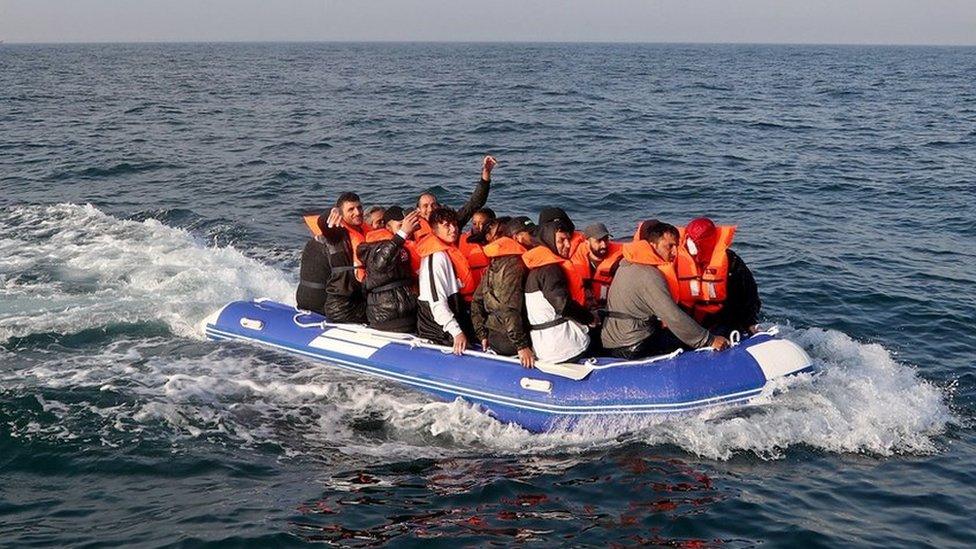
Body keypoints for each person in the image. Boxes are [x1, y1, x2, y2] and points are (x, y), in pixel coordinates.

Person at [601, 221, 729, 359]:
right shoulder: (648, 274)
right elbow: (672, 316)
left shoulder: (627, 264)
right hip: (633, 345)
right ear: (653, 245)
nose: (675, 251)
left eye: (676, 246)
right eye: (670, 246)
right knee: (718, 332)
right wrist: (709, 340)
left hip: (613, 341)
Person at [523, 219, 596, 364]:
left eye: (568, 239)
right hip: (564, 347)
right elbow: (562, 305)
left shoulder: (537, 267)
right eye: (562, 240)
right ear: (549, 239)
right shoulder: (550, 270)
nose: (568, 245)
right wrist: (590, 318)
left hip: (544, 344)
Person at [677, 217, 761, 337]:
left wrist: (750, 322)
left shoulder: (730, 261)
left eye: (696, 242)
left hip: (719, 319)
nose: (691, 246)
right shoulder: (675, 258)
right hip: (686, 319)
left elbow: (748, 294)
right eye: (689, 240)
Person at [471, 217, 536, 368]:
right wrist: (521, 346)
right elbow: (509, 308)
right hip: (510, 338)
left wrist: (481, 333)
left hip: (495, 334)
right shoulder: (514, 264)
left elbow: (476, 301)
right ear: (517, 238)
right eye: (530, 233)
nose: (534, 237)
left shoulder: (495, 263)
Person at [296, 193, 368, 323]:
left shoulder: (363, 231)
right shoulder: (336, 234)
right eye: (351, 209)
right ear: (340, 214)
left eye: (359, 208)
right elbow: (324, 224)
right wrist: (330, 213)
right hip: (327, 304)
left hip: (345, 296)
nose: (357, 212)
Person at [416, 207, 477, 354]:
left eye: (455, 224)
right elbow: (436, 303)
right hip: (438, 331)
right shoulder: (435, 258)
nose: (453, 229)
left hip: (452, 317)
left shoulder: (446, 252)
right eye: (446, 226)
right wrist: (456, 332)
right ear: (434, 229)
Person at [356, 206, 421, 333]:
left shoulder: (407, 245)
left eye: (407, 225)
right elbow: (380, 263)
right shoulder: (375, 246)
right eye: (400, 225)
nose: (407, 230)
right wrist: (402, 234)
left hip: (409, 313)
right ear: (388, 227)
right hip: (386, 316)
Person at [414, 155, 497, 240]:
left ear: (439, 207)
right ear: (418, 211)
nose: (430, 209)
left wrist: (486, 173)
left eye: (433, 205)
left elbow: (475, 202)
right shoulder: (412, 229)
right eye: (425, 206)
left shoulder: (453, 223)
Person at [570, 222, 624, 311]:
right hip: (584, 311)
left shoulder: (619, 260)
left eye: (606, 239)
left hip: (609, 309)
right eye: (599, 241)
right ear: (587, 242)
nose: (604, 245)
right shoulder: (574, 261)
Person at [458, 207, 496, 301]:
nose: (477, 227)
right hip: (468, 298)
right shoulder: (461, 241)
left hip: (492, 296)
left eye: (482, 224)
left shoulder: (498, 242)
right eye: (474, 223)